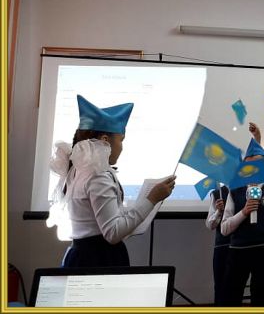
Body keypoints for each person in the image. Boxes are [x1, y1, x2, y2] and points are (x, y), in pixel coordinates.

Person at [48, 95, 175, 268]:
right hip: (99, 260)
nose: (121, 147)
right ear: (105, 140)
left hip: (81, 256)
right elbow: (113, 232)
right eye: (121, 140)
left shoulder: (78, 169)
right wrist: (151, 199)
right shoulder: (97, 176)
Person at [220, 134, 264, 306]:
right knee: (230, 297)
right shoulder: (234, 189)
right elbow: (224, 229)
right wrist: (244, 212)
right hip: (239, 251)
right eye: (250, 163)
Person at [205, 122, 261, 306]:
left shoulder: (246, 188)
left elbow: (255, 158)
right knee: (222, 288)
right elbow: (210, 225)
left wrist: (257, 138)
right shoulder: (217, 193)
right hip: (222, 247)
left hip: (241, 246)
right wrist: (218, 212)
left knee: (239, 288)